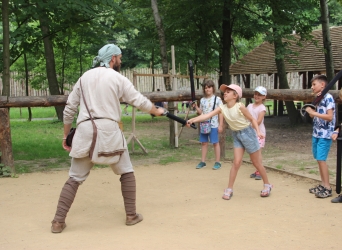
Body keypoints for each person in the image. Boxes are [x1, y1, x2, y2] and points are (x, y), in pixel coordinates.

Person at [50, 44, 164, 233]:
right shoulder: (117, 78)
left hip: (85, 131)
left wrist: (66, 135)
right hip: (110, 131)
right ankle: (131, 215)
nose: (120, 61)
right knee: (126, 171)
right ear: (112, 58)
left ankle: (57, 221)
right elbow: (138, 100)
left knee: (74, 178)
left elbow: (69, 108)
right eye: (119, 57)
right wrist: (155, 110)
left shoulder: (84, 77)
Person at [187, 84, 273, 200]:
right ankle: (229, 188)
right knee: (236, 162)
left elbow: (252, 119)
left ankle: (267, 185)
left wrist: (258, 132)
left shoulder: (240, 106)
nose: (225, 93)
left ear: (235, 95)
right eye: (225, 92)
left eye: (228, 91)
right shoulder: (223, 107)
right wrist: (192, 119)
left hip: (248, 134)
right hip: (236, 135)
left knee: (256, 163)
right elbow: (207, 115)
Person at [305, 75, 335, 199]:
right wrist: (310, 113)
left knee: (322, 159)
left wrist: (314, 113)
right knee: (318, 158)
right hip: (316, 133)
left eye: (314, 85)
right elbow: (315, 115)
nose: (312, 87)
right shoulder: (318, 98)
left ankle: (327, 187)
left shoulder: (328, 98)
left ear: (322, 85)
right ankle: (323, 184)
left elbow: (329, 117)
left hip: (325, 134)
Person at [193, 80, 223, 170]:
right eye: (206, 88)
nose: (207, 89)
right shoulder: (202, 100)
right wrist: (196, 107)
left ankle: (217, 162)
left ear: (213, 88)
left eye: (209, 87)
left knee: (215, 143)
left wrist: (220, 125)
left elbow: (220, 113)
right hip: (204, 124)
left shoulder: (217, 99)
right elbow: (201, 113)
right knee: (204, 143)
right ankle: (203, 161)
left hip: (213, 124)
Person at [247, 86, 267, 180]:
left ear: (264, 97)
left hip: (259, 133)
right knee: (253, 154)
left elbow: (258, 121)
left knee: (258, 153)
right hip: (250, 133)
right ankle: (257, 170)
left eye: (260, 95)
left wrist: (249, 124)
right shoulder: (249, 106)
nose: (257, 96)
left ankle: (260, 171)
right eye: (256, 94)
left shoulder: (262, 108)